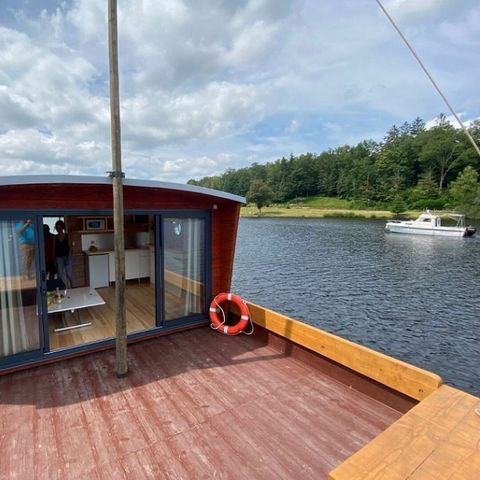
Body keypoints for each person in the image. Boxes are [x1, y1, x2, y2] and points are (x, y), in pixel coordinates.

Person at [54, 220, 75, 288]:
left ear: (63, 228)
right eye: (57, 228)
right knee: (60, 275)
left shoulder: (67, 236)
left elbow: (70, 247)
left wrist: (68, 258)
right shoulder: (55, 237)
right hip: (59, 258)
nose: (58, 230)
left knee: (69, 274)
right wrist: (53, 259)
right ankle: (62, 291)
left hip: (67, 256)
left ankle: (74, 289)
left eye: (60, 228)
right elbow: (53, 249)